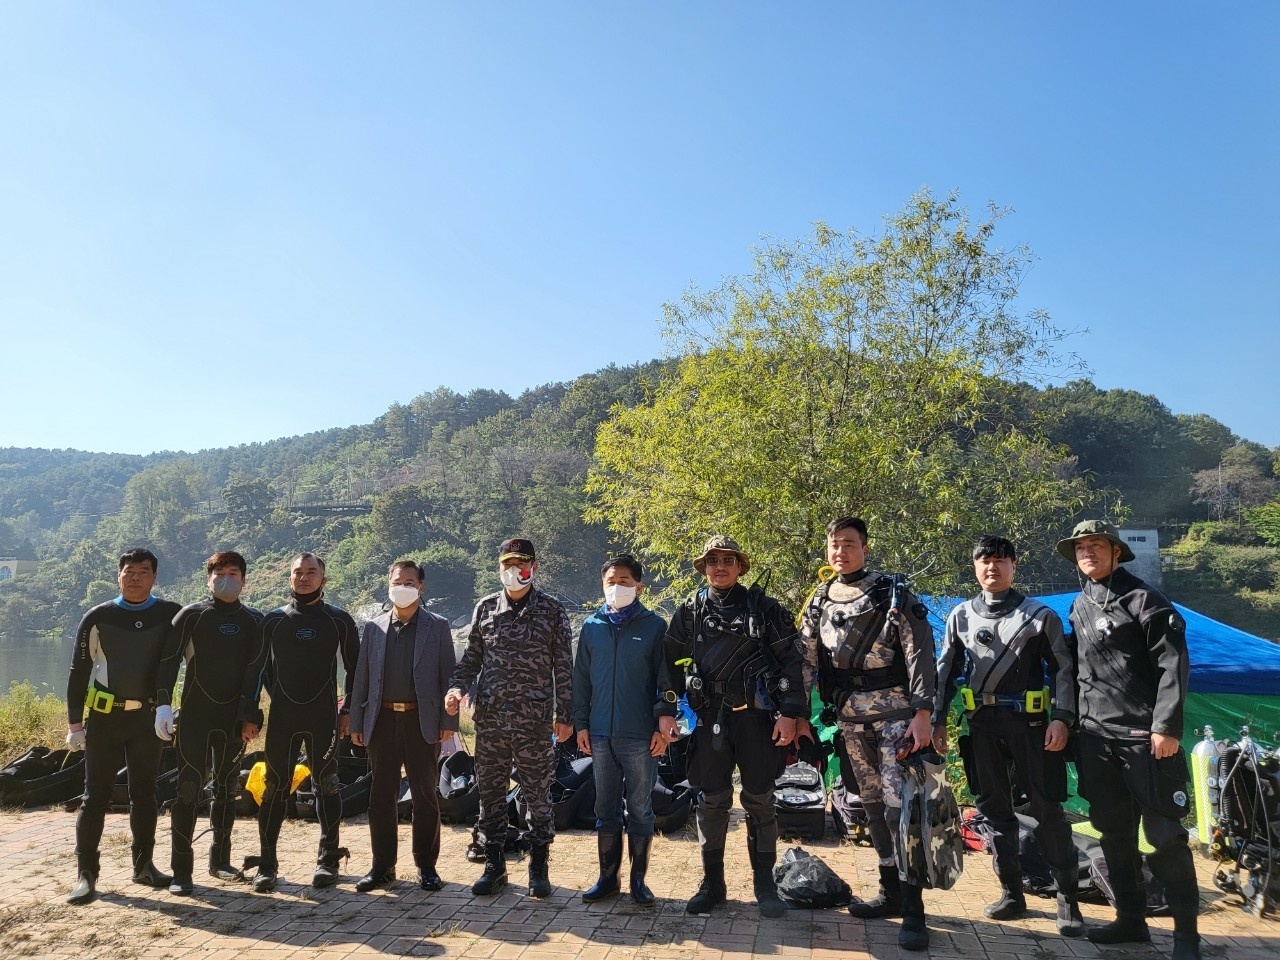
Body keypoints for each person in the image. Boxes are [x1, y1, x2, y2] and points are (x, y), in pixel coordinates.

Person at [1057, 520, 1201, 960]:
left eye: (1096, 545)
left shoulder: (1145, 600)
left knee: (1164, 836)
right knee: (1113, 833)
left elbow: (1173, 665)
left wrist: (1166, 727)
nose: (1088, 553)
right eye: (1081, 548)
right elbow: (1078, 673)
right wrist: (1070, 723)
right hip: (1095, 738)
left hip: (1145, 738)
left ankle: (1186, 937)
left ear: (1116, 551)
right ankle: (1131, 920)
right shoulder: (1079, 604)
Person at [933, 535, 1082, 935]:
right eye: (984, 560)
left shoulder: (1040, 616)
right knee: (994, 811)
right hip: (981, 727)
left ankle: (1068, 899)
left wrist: (1062, 718)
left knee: (1047, 811)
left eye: (1000, 560)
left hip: (1031, 729)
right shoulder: (960, 616)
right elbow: (945, 672)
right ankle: (1012, 893)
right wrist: (938, 720)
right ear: (974, 567)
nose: (992, 567)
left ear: (1014, 566)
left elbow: (1063, 669)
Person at [798, 517, 935, 950]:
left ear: (865, 549)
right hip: (850, 720)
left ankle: (914, 909)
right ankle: (889, 890)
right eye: (835, 545)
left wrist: (924, 714)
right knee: (871, 806)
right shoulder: (820, 599)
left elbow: (920, 654)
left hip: (896, 718)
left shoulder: (892, 594)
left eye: (849, 544)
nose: (841, 552)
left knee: (900, 811)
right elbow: (805, 660)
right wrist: (798, 713)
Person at [665, 535, 806, 919]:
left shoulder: (765, 609)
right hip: (709, 718)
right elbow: (668, 662)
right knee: (711, 801)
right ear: (704, 568)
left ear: (740, 566)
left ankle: (765, 886)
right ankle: (712, 884)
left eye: (728, 560)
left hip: (757, 721)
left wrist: (790, 713)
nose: (720, 567)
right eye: (713, 560)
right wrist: (666, 710)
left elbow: (792, 662)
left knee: (760, 799)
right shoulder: (690, 611)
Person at [445, 537, 574, 899]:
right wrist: (456, 689)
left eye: (521, 563)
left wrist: (565, 715)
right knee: (490, 795)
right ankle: (494, 865)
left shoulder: (551, 611)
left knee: (538, 796)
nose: (514, 570)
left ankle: (539, 866)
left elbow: (564, 668)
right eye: (507, 564)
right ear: (499, 567)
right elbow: (470, 660)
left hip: (534, 723)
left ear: (534, 567)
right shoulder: (486, 608)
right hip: (491, 721)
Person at [64, 548, 183, 905]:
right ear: (118, 575)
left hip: (148, 719)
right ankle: (86, 875)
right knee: (94, 796)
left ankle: (144, 866)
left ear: (155, 577)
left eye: (143, 571)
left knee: (145, 794)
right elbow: (79, 672)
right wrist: (74, 724)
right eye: (129, 571)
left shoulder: (170, 615)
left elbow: (191, 660)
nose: (135, 577)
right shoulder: (99, 616)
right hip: (106, 718)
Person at [155, 551, 267, 895]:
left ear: (244, 580)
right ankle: (181, 870)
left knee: (227, 790)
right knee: (188, 789)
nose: (226, 579)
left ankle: (220, 861)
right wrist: (162, 705)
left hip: (233, 721)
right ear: (208, 579)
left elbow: (257, 672)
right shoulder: (191, 615)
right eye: (219, 573)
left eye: (233, 573)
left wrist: (251, 717)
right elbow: (167, 662)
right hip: (195, 717)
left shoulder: (255, 620)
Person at [249, 551, 359, 893]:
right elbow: (256, 670)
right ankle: (267, 864)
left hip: (323, 716)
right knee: (274, 787)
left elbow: (355, 669)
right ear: (290, 578)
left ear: (323, 579)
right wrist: (253, 711)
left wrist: (348, 710)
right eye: (298, 572)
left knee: (327, 784)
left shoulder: (338, 620)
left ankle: (328, 859)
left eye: (312, 572)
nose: (304, 577)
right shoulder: (273, 620)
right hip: (283, 716)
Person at [573, 553, 679, 906]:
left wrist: (662, 726)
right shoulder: (591, 627)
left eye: (624, 581)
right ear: (601, 586)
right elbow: (581, 681)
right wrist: (581, 724)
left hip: (640, 734)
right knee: (605, 808)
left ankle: (638, 881)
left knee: (640, 807)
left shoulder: (655, 627)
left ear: (639, 586)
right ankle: (608, 878)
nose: (617, 587)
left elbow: (666, 681)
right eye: (611, 582)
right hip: (600, 733)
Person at [348, 559, 458, 893]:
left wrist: (448, 722)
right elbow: (362, 679)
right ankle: (382, 867)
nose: (403, 587)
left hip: (421, 720)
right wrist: (357, 721)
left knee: (425, 795)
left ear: (421, 587)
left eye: (410, 582)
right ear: (388, 584)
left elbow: (449, 676)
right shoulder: (374, 627)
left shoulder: (437, 626)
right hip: (381, 720)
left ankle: (427, 866)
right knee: (381, 796)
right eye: (398, 581)